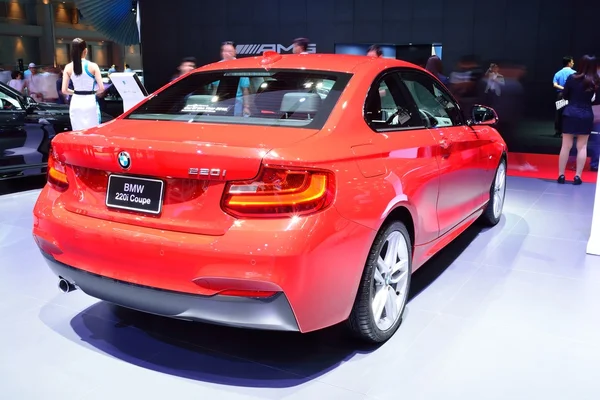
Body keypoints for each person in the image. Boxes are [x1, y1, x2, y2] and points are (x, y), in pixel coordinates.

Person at [557, 55, 600, 184]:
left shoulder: (572, 78)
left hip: (570, 112)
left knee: (566, 146)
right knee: (582, 147)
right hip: (586, 114)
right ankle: (578, 177)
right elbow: (596, 100)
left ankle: (561, 175)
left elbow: (564, 95)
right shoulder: (595, 81)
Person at [61, 38, 105, 131]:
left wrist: (77, 93)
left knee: (77, 132)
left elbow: (64, 90)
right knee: (93, 132)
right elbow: (101, 88)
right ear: (86, 50)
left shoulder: (68, 67)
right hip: (90, 102)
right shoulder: (93, 66)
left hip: (76, 102)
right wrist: (93, 92)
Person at [553, 56, 576, 137]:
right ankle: (568, 131)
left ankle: (558, 131)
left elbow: (555, 85)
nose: (573, 63)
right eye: (572, 62)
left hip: (561, 95)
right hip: (571, 96)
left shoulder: (558, 73)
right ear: (569, 63)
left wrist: (563, 88)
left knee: (559, 113)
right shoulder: (575, 73)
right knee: (570, 113)